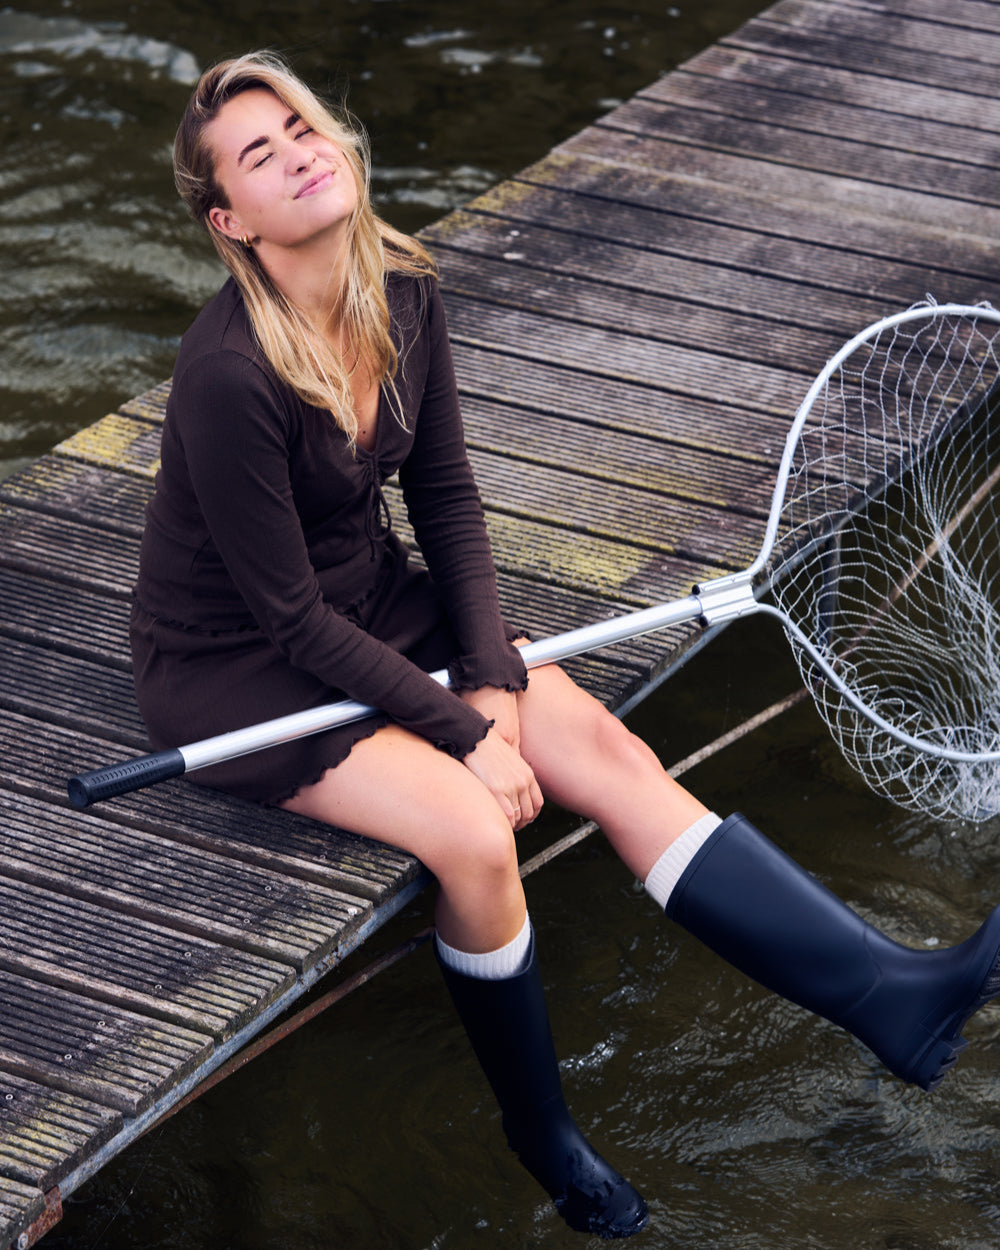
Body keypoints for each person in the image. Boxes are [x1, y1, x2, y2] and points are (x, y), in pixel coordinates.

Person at [131, 50, 1000, 1240]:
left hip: (377, 605)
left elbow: (445, 499)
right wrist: (460, 734)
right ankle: (542, 1132)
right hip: (237, 670)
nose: (295, 150)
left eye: (298, 124)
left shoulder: (402, 287)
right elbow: (286, 617)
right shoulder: (228, 373)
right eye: (257, 153)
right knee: (472, 832)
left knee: (603, 745)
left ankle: (890, 995)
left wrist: (489, 678)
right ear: (231, 221)